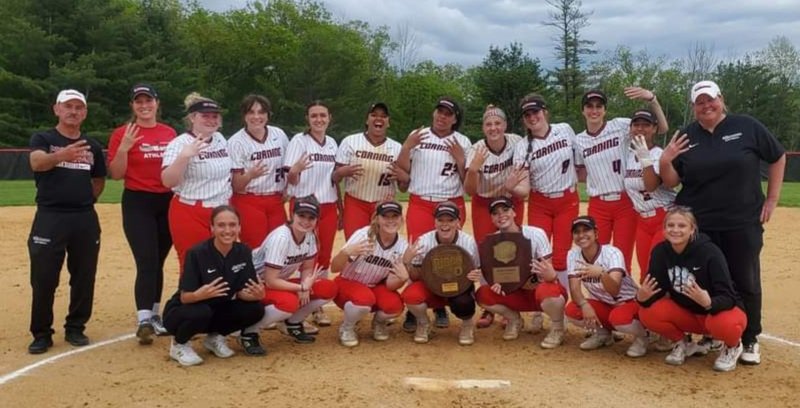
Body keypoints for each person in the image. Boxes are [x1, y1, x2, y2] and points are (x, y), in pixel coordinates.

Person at [659, 80, 786, 365]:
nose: (706, 106)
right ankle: (711, 334)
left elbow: (777, 157)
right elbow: (672, 181)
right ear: (694, 107)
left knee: (745, 279)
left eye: (711, 100)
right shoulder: (686, 135)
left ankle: (750, 337)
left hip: (741, 220)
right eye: (700, 102)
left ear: (721, 99)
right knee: (707, 279)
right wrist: (666, 160)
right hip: (700, 224)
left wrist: (773, 199)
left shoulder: (747, 126)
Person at [27, 89, 106, 354]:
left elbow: (98, 180)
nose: (73, 111)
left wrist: (85, 200)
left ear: (84, 113)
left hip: (83, 217)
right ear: (57, 109)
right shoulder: (44, 138)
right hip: (50, 216)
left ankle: (75, 327)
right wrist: (61, 155)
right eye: (68, 106)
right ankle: (41, 332)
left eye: (79, 107)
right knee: (44, 277)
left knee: (84, 275)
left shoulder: (92, 145)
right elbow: (37, 163)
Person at [637, 207, 748, 372]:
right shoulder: (661, 252)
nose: (675, 230)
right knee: (647, 312)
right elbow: (656, 291)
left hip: (715, 313)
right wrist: (642, 297)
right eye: (671, 225)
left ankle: (733, 346)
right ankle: (682, 342)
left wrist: (709, 302)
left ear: (692, 229)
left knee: (726, 324)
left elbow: (729, 297)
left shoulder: (709, 252)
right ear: (664, 229)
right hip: (688, 315)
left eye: (682, 226)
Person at [108, 84, 177, 345]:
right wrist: (125, 147)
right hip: (138, 201)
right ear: (132, 106)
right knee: (146, 259)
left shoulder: (169, 132)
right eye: (139, 101)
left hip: (167, 200)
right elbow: (116, 174)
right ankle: (144, 318)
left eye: (148, 100)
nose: (144, 105)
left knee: (158, 259)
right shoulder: (122, 133)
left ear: (157, 103)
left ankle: (155, 314)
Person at [396, 97, 472, 331]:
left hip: (451, 202)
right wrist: (407, 146)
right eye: (439, 111)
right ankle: (414, 308)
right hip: (421, 202)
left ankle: (439, 305)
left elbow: (468, 182)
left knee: (447, 256)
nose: (442, 116)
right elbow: (402, 171)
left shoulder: (462, 141)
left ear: (455, 119)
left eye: (448, 113)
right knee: (418, 255)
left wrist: (461, 160)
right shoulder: (418, 135)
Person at [574, 87, 668, 273]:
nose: (594, 110)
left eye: (599, 106)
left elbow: (662, 129)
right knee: (596, 253)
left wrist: (652, 99)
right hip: (598, 203)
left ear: (605, 110)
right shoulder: (578, 140)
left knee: (622, 255)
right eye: (589, 106)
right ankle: (602, 295)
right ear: (583, 110)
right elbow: (581, 171)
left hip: (625, 202)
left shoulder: (619, 125)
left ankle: (622, 297)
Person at [162, 206, 265, 366]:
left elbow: (241, 292)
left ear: (239, 227)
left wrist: (256, 295)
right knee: (201, 311)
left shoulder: (243, 251)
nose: (227, 230)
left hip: (216, 309)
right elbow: (185, 297)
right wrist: (199, 295)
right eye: (221, 225)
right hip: (183, 311)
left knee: (256, 308)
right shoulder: (197, 253)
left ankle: (214, 338)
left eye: (232, 225)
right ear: (212, 228)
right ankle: (179, 344)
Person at [509, 94, 577, 333]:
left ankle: (562, 308)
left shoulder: (565, 130)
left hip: (567, 200)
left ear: (545, 111)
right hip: (540, 201)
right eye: (527, 115)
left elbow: (580, 161)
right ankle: (539, 307)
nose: (532, 117)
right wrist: (510, 187)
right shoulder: (522, 147)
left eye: (535, 112)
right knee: (537, 256)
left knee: (561, 257)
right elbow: (524, 189)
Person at [239, 196, 338, 354]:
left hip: (276, 282)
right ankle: (249, 332)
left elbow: (307, 268)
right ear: (292, 215)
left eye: (311, 217)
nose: (306, 221)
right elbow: (271, 281)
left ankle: (293, 323)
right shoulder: (281, 238)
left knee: (328, 288)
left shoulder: (310, 236)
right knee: (288, 303)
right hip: (253, 285)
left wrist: (305, 286)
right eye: (301, 216)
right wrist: (301, 286)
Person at [468, 197, 568, 348]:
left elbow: (552, 277)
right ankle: (514, 319)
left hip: (538, 292)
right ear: (492, 219)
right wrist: (496, 284)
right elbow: (492, 276)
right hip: (515, 294)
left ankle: (557, 328)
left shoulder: (536, 234)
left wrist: (548, 274)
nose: (501, 215)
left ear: (514, 212)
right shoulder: (491, 242)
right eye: (495, 213)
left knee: (551, 292)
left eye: (505, 210)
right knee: (483, 294)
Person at [465, 105, 527, 329]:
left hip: (511, 199)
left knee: (513, 247)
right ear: (483, 127)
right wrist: (472, 170)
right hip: (484, 202)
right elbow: (469, 191)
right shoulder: (476, 149)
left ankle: (510, 297)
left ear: (505, 125)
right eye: (489, 124)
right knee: (486, 251)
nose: (493, 128)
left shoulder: (516, 142)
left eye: (497, 123)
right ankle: (489, 305)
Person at [161, 93, 232, 273]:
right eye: (204, 116)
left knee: (222, 263)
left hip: (220, 212)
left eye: (214, 116)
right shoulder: (180, 143)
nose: (210, 120)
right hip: (190, 210)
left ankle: (218, 301)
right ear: (192, 118)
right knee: (193, 264)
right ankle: (190, 301)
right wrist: (184, 157)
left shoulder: (220, 140)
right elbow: (167, 181)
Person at [283, 101, 339, 327]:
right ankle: (293, 300)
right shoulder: (299, 141)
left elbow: (333, 178)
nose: (318, 119)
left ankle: (316, 304)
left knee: (323, 255)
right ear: (307, 118)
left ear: (329, 118)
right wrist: (294, 171)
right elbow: (291, 177)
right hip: (305, 205)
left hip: (328, 205)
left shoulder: (332, 143)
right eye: (314, 115)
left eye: (322, 115)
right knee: (305, 255)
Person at [330, 201, 416, 347]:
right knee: (365, 299)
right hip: (347, 283)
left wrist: (403, 277)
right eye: (385, 216)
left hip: (373, 287)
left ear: (401, 219)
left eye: (395, 216)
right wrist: (345, 253)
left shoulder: (402, 246)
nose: (390, 220)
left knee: (395, 306)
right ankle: (347, 327)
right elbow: (334, 268)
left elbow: (389, 285)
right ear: (377, 218)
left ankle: (378, 322)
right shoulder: (363, 235)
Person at [564, 216, 649, 357]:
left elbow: (614, 289)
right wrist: (584, 305)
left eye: (586, 230)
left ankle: (644, 336)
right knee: (573, 310)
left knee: (619, 319)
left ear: (596, 233)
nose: (581, 235)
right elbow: (574, 289)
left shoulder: (612, 253)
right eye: (576, 232)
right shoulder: (573, 255)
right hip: (606, 304)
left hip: (629, 302)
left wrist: (601, 273)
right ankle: (603, 334)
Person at [401, 202, 480, 346]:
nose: (445, 225)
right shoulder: (424, 241)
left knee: (465, 302)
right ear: (434, 222)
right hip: (431, 286)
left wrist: (476, 275)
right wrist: (407, 263)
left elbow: (476, 269)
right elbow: (415, 276)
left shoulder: (468, 242)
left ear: (458, 222)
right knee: (411, 295)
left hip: (458, 287)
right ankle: (424, 323)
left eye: (450, 220)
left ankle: (467, 324)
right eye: (440, 220)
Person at [333, 102, 408, 240]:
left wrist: (405, 178)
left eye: (383, 116)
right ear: (367, 120)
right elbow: (335, 179)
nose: (379, 119)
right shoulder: (350, 142)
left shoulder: (397, 148)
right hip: (356, 203)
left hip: (384, 205)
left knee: (381, 247)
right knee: (355, 246)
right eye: (374, 115)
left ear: (388, 122)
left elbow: (403, 188)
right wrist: (342, 172)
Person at [228, 94, 290, 250]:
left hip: (276, 199)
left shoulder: (278, 134)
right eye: (251, 112)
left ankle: (274, 276)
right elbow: (236, 185)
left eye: (261, 112)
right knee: (255, 248)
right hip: (248, 199)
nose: (257, 117)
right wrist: (250, 175)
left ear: (268, 115)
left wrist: (289, 187)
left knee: (279, 245)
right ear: (244, 115)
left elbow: (288, 165)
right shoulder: (236, 142)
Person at [622, 109, 676, 281]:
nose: (640, 128)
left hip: (663, 217)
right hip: (642, 221)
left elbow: (651, 186)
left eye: (646, 125)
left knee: (659, 269)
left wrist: (645, 158)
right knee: (645, 272)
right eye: (636, 125)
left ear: (654, 128)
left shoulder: (659, 154)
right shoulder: (630, 155)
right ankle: (649, 307)